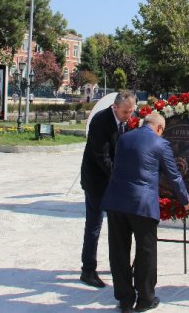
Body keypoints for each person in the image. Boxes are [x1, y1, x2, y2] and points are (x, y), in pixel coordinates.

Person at [102, 112, 189, 312]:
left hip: (116, 201)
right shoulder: (161, 144)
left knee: (118, 251)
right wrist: (186, 201)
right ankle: (145, 299)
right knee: (146, 252)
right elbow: (174, 176)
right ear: (159, 128)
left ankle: (125, 299)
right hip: (142, 204)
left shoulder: (124, 138)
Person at [78, 91, 137, 288]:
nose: (129, 116)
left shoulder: (130, 119)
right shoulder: (100, 122)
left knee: (119, 226)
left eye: (131, 111)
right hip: (97, 180)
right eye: (125, 112)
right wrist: (122, 178)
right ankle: (88, 270)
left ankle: (118, 265)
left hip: (117, 181)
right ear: (115, 107)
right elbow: (102, 157)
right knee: (94, 225)